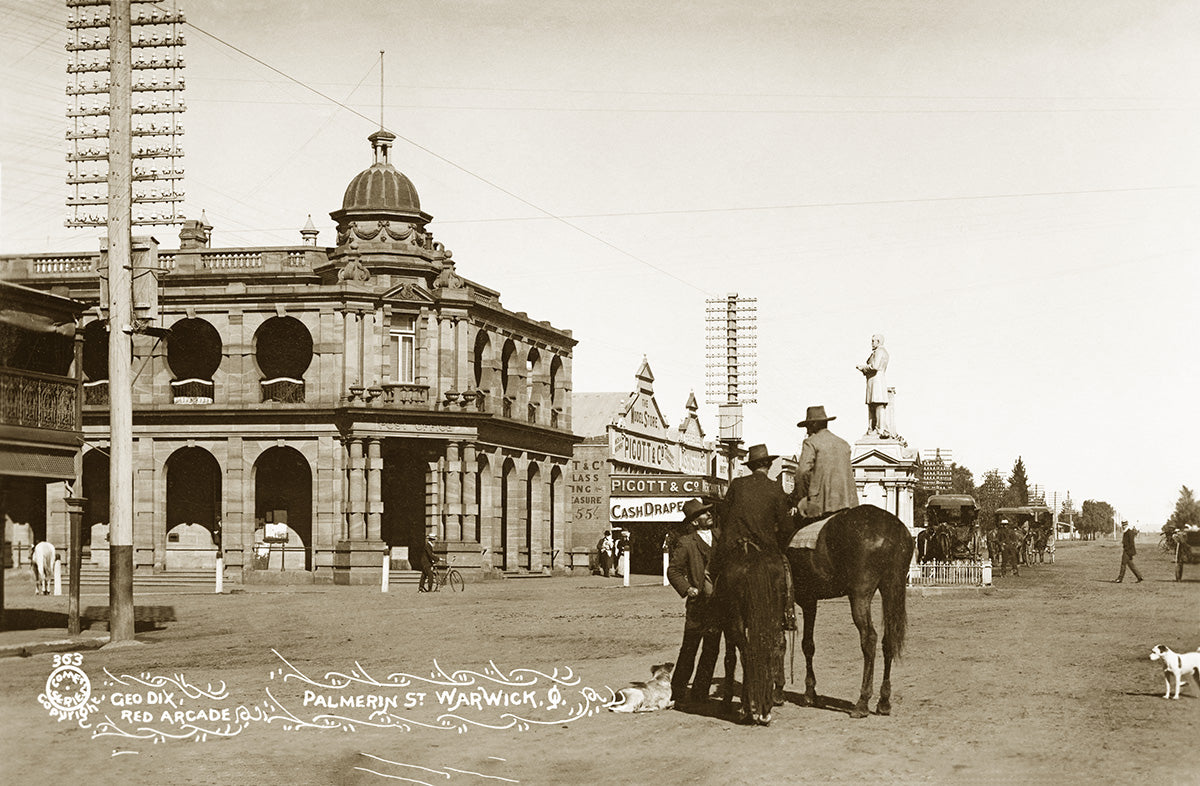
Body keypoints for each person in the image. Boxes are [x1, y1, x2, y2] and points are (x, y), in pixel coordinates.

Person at [711, 443, 796, 632]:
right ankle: (787, 614)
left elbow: (724, 517)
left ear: (751, 466)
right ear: (768, 465)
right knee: (786, 572)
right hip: (766, 548)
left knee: (715, 573)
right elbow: (786, 527)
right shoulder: (776, 488)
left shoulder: (737, 485)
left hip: (735, 546)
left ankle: (715, 615)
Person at [667, 498, 722, 707]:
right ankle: (677, 692)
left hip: (718, 604)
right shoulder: (686, 542)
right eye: (703, 514)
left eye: (708, 512)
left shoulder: (720, 536)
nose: (708, 515)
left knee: (712, 649)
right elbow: (673, 570)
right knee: (689, 648)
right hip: (697, 604)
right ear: (694, 521)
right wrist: (687, 588)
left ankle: (700, 692)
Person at [791, 405, 859, 520]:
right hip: (848, 503)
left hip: (822, 504)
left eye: (807, 426)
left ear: (813, 425)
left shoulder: (810, 442)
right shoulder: (844, 443)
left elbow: (802, 472)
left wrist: (803, 498)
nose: (807, 430)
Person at [856, 334, 890, 436]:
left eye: (873, 341)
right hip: (874, 381)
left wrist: (863, 368)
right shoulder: (880, 352)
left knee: (877, 404)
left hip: (876, 381)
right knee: (874, 405)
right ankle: (873, 427)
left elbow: (875, 366)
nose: (871, 343)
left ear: (878, 342)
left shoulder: (880, 351)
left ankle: (879, 428)